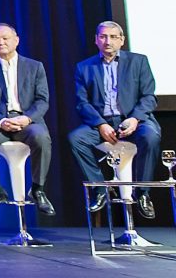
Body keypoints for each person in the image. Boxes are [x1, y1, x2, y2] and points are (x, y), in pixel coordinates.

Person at [69, 21, 161, 219]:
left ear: (122, 40)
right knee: (76, 139)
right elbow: (81, 103)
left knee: (151, 137)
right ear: (96, 40)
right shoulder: (84, 67)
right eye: (103, 37)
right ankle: (100, 189)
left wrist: (135, 119)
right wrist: (100, 124)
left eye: (113, 37)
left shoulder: (138, 61)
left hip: (135, 120)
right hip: (102, 122)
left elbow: (149, 97)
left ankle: (143, 192)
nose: (107, 41)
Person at [0, 23, 55, 215]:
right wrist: (1, 121)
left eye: (4, 38)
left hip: (27, 122)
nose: (0, 42)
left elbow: (43, 101)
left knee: (41, 138)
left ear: (16, 40)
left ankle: (38, 189)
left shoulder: (35, 67)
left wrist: (26, 119)